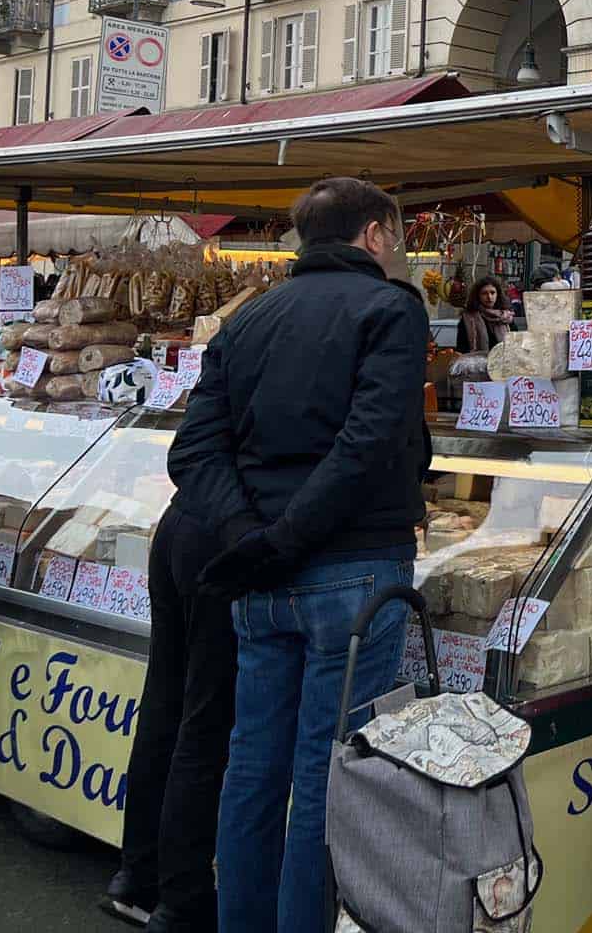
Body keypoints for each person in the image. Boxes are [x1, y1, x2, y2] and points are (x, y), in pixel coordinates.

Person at [168, 176, 428, 933]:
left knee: (253, 768)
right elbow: (369, 444)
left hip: (264, 578)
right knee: (325, 776)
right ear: (375, 235)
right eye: (396, 236)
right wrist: (282, 538)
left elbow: (194, 453)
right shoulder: (390, 308)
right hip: (351, 567)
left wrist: (251, 537)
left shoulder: (247, 320)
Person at [104, 499, 235, 933]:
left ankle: (136, 878)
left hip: (179, 521)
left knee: (163, 705)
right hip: (226, 537)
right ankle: (183, 900)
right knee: (205, 723)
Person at [455, 274, 513, 354]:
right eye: (484, 293)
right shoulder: (468, 319)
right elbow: (461, 350)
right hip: (476, 364)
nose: (489, 297)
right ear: (478, 296)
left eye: (492, 293)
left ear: (497, 294)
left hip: (503, 364)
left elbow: (515, 347)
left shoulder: (506, 318)